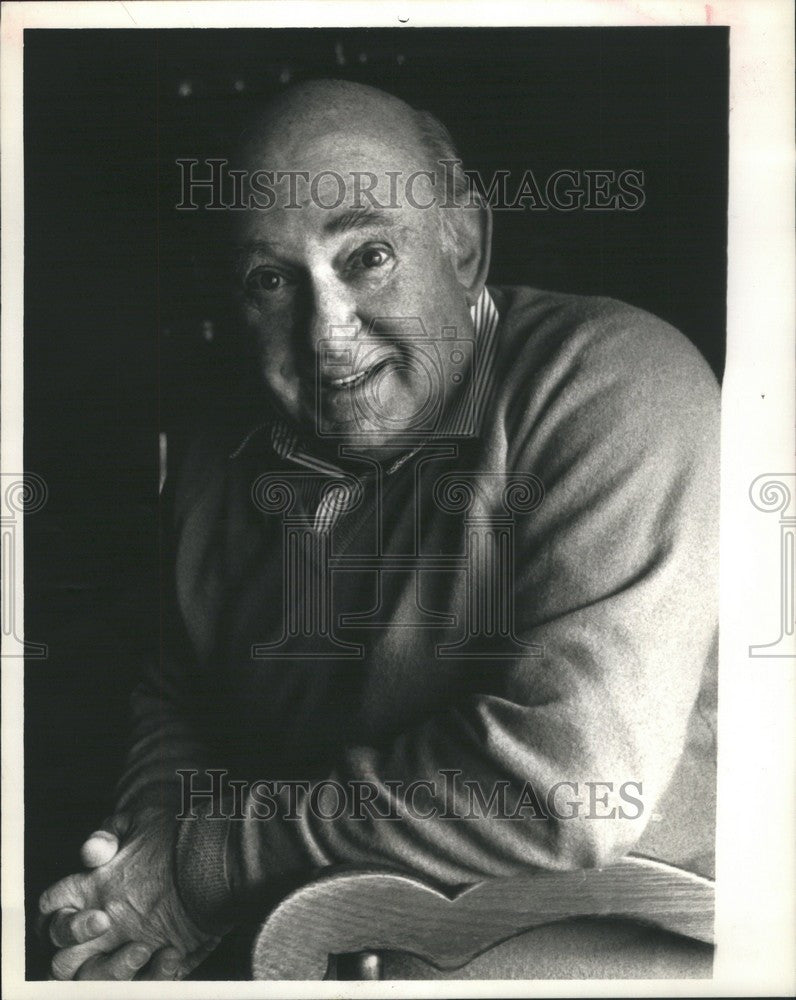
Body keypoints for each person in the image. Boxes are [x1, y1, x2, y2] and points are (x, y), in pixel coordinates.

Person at [39, 79, 719, 981]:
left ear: (465, 246)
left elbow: (566, 787)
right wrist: (145, 852)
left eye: (367, 258)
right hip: (315, 932)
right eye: (271, 280)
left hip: (612, 943)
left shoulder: (617, 382)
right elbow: (179, 688)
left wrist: (204, 866)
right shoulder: (223, 442)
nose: (326, 333)